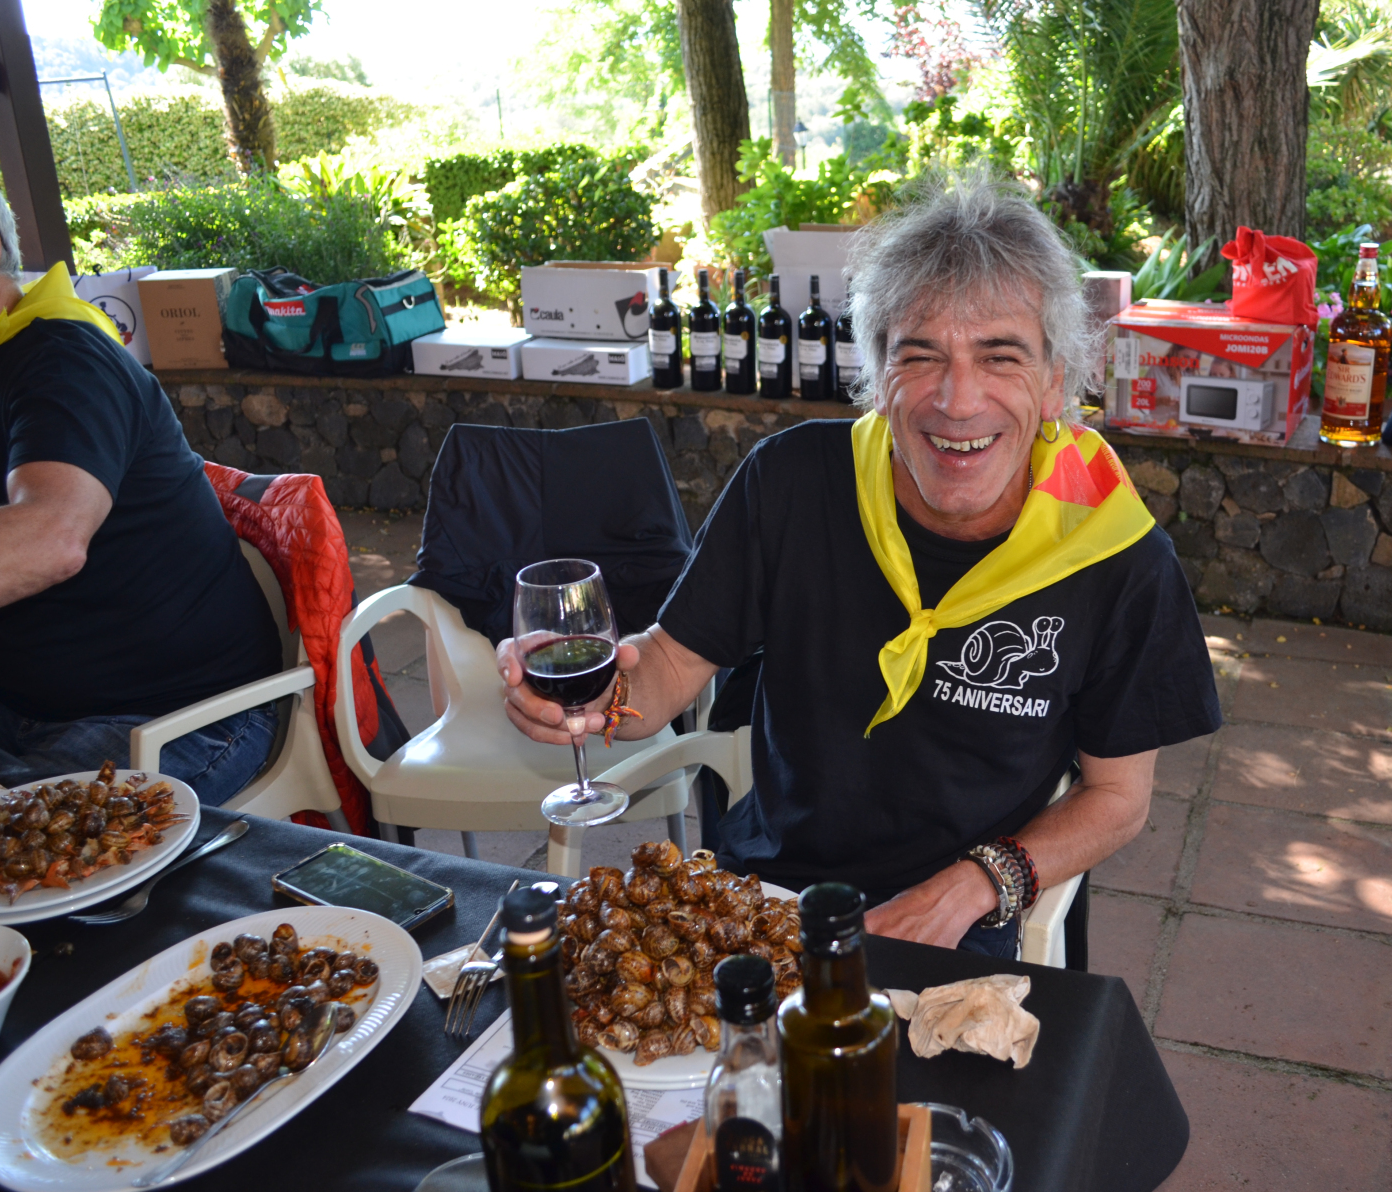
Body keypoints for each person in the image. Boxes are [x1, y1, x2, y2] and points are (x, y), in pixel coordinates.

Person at [501, 171, 1221, 955]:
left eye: (999, 357)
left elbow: (1117, 797)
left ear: (1055, 384)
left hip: (954, 915)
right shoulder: (791, 482)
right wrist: (600, 701)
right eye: (920, 356)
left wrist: (976, 885)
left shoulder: (1115, 554)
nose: (958, 400)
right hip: (768, 893)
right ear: (877, 378)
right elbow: (671, 663)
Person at [0, 148, 282, 804]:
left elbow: (50, 536)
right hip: (10, 706)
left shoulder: (64, 359)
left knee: (3, 849)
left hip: (173, 716)